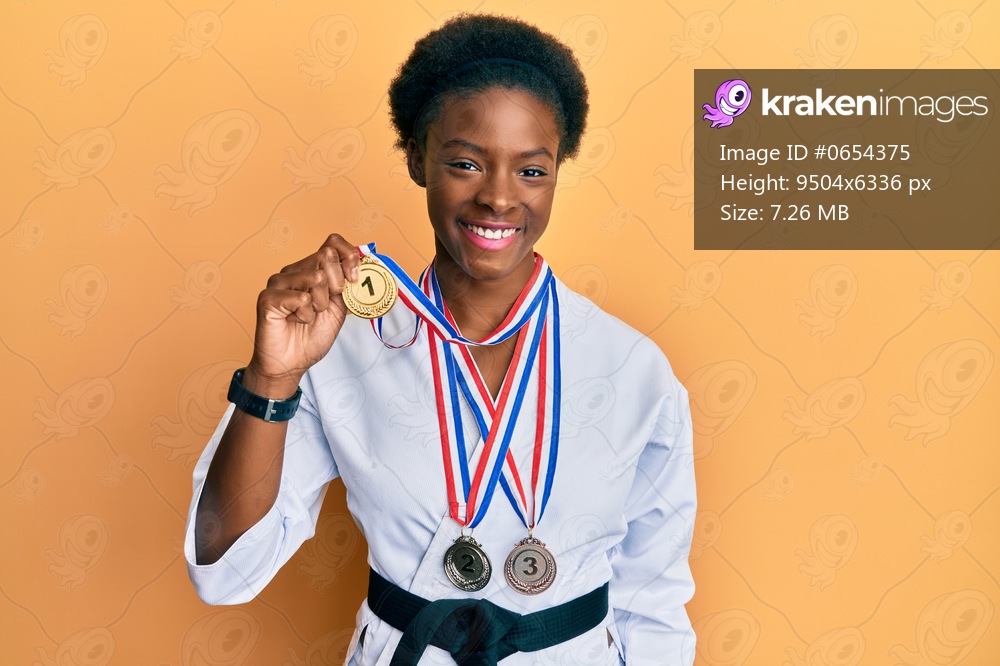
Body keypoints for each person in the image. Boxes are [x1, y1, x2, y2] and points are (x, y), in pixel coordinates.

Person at [184, 13, 696, 665]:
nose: (500, 199)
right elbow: (223, 571)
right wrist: (272, 377)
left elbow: (652, 604)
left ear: (558, 174)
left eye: (532, 171)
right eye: (465, 162)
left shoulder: (632, 368)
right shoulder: (340, 348)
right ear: (416, 159)